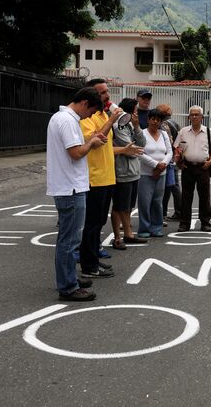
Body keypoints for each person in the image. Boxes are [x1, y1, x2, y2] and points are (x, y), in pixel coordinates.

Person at [46, 87, 104, 301]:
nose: (89, 116)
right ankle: (68, 286)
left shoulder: (60, 118)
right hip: (70, 187)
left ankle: (69, 278)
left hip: (68, 185)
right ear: (85, 103)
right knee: (70, 240)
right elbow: (76, 152)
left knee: (68, 238)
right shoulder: (68, 121)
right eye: (91, 112)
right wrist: (92, 142)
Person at [79, 79, 123, 279]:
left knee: (98, 222)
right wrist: (112, 120)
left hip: (107, 177)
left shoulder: (104, 115)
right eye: (103, 92)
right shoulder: (87, 117)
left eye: (107, 91)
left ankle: (94, 259)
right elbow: (95, 141)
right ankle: (88, 265)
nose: (108, 96)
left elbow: (107, 146)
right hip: (94, 178)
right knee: (92, 224)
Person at [174, 105, 211, 232]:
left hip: (203, 167)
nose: (194, 117)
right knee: (186, 196)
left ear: (201, 117)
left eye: (197, 114)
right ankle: (184, 223)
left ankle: (205, 222)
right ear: (188, 117)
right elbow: (176, 148)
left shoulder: (208, 131)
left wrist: (210, 161)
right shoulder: (183, 132)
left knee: (204, 196)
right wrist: (178, 163)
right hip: (187, 167)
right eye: (192, 115)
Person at [110, 98, 146, 250]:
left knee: (129, 206)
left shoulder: (131, 124)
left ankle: (127, 233)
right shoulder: (118, 125)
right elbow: (131, 150)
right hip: (122, 172)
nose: (137, 113)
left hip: (134, 172)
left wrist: (137, 126)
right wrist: (133, 149)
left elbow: (142, 143)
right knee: (119, 206)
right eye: (136, 111)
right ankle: (119, 237)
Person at [137, 108, 173, 238]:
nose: (155, 122)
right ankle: (144, 228)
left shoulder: (164, 134)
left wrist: (162, 165)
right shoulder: (142, 134)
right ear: (148, 120)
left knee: (157, 201)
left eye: (158, 119)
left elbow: (169, 152)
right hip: (145, 173)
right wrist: (156, 164)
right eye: (153, 119)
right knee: (144, 202)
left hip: (161, 173)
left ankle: (156, 227)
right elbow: (139, 153)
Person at [157, 103, 182, 222]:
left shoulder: (164, 125)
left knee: (169, 186)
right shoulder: (174, 123)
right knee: (173, 186)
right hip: (174, 157)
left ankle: (168, 212)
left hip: (168, 157)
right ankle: (178, 211)